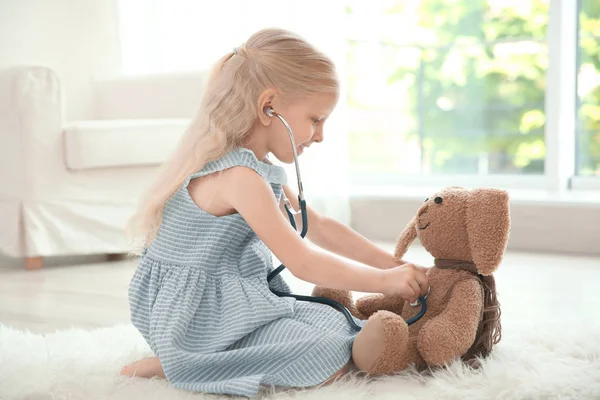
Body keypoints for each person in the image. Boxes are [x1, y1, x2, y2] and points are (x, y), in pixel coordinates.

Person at [121, 27, 429, 397]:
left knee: (329, 319)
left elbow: (322, 228)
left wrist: (394, 266)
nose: (320, 136)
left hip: (230, 303)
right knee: (322, 352)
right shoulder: (238, 177)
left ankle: (194, 357)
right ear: (269, 107)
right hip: (196, 317)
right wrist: (383, 283)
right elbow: (302, 262)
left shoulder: (257, 169)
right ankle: (183, 361)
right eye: (315, 119)